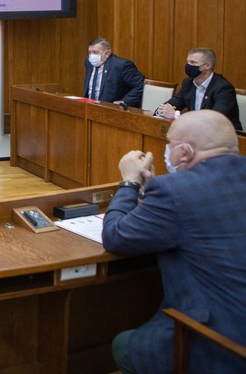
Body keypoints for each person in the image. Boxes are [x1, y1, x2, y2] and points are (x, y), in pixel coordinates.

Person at [102, 110, 246, 374]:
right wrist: (154, 192)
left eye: (169, 144)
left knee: (122, 345)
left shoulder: (173, 190)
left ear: (185, 152)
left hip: (222, 346)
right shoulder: (178, 189)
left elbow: (116, 237)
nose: (167, 150)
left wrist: (129, 183)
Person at [155, 47, 241, 130]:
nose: (188, 66)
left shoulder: (223, 88)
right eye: (188, 62)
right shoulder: (188, 83)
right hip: (197, 133)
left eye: (193, 62)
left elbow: (214, 120)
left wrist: (176, 115)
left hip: (223, 137)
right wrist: (162, 110)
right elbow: (172, 104)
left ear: (207, 65)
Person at [83, 38, 144, 107]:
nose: (91, 56)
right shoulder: (88, 62)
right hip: (89, 107)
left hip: (112, 109)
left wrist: (124, 102)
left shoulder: (121, 65)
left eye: (95, 52)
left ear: (107, 53)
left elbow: (141, 85)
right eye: (89, 52)